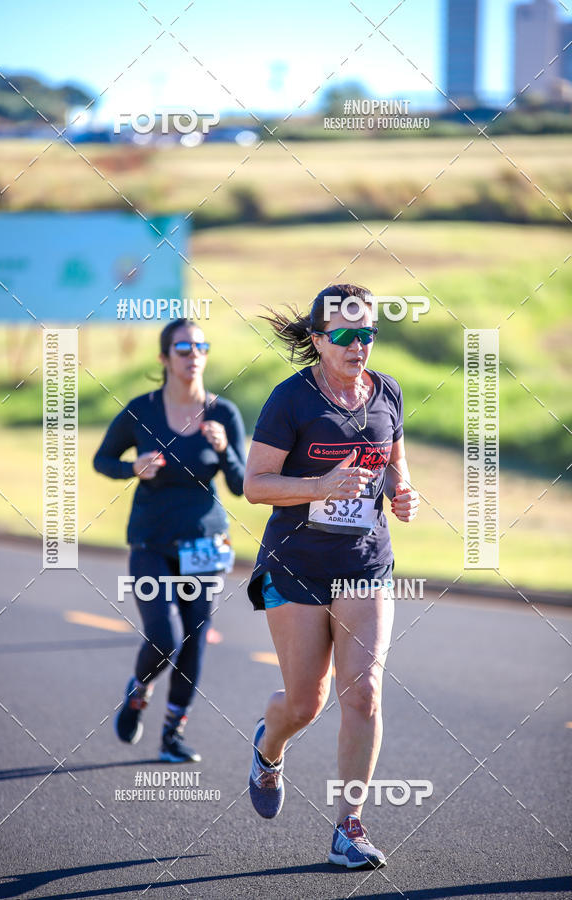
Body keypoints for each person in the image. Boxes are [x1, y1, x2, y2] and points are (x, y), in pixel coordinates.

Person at [243, 284, 419, 868]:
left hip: (364, 563)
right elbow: (256, 485)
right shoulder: (290, 400)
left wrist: (401, 492)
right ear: (317, 339)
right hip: (296, 566)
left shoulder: (386, 391)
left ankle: (350, 827)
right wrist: (317, 487)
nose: (357, 345)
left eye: (367, 333)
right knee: (304, 703)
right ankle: (269, 750)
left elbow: (393, 460)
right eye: (344, 334)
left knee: (364, 693)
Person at [93, 319, 246, 763]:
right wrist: (132, 467)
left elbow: (240, 485)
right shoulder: (142, 409)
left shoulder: (224, 414)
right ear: (164, 359)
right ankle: (138, 692)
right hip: (151, 541)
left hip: (203, 542)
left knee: (195, 639)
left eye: (201, 346)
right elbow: (103, 459)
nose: (193, 354)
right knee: (165, 636)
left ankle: (172, 734)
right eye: (182, 348)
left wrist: (225, 451)